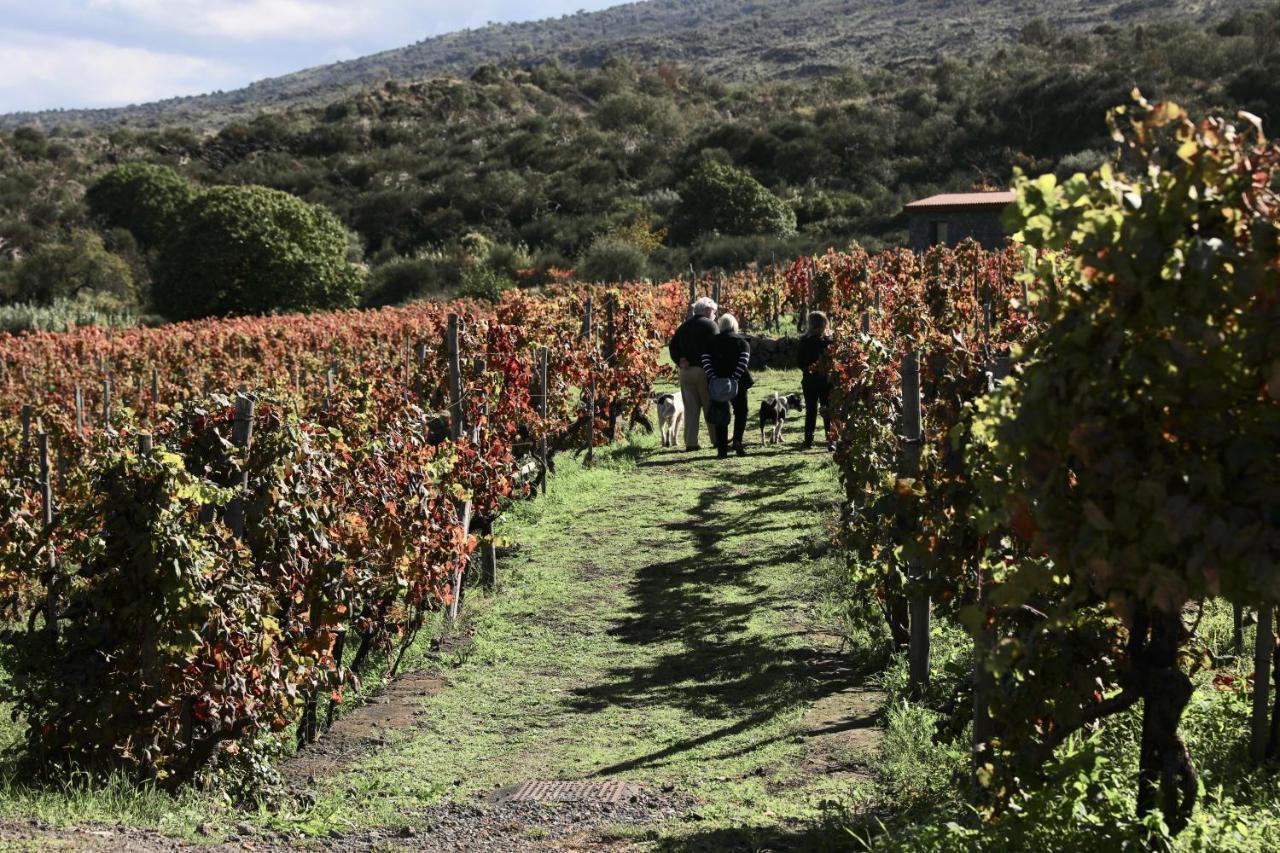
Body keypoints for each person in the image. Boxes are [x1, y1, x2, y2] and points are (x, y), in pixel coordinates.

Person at [667, 297, 719, 451]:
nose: (714, 314)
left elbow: (672, 347)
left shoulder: (683, 326)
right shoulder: (710, 325)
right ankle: (716, 439)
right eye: (713, 311)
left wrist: (679, 360)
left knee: (690, 409)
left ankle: (691, 443)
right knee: (709, 405)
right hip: (704, 371)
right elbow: (717, 347)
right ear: (707, 310)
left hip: (685, 372)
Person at [700, 313, 753, 458]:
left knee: (720, 414)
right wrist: (734, 378)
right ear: (734, 325)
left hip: (717, 383)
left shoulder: (710, 342)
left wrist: (713, 377)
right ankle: (737, 440)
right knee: (741, 411)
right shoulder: (743, 342)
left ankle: (722, 449)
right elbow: (743, 362)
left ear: (720, 326)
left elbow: (705, 360)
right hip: (738, 383)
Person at [797, 310, 832, 449]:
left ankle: (808, 441)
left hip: (809, 381)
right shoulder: (828, 341)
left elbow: (799, 361)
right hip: (826, 380)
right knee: (827, 410)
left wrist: (808, 370)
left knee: (811, 410)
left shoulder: (804, 341)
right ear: (824, 324)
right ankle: (831, 441)